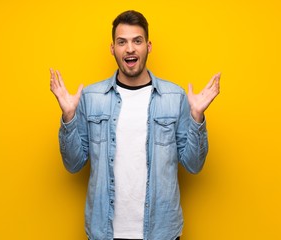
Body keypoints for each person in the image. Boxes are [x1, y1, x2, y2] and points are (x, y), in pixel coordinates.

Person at [50, 10, 220, 240]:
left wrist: (197, 117)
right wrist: (69, 116)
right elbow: (73, 164)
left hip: (161, 232)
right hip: (104, 232)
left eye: (137, 41)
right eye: (122, 42)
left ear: (148, 46)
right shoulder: (91, 97)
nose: (130, 48)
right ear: (113, 49)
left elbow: (193, 165)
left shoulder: (175, 96)